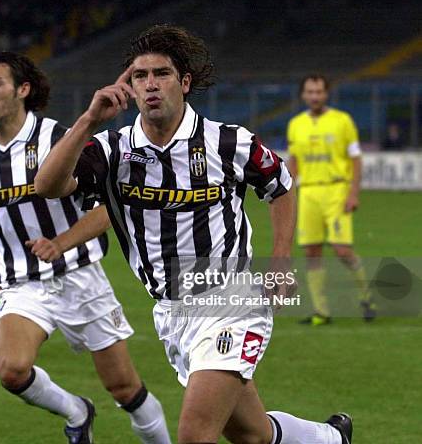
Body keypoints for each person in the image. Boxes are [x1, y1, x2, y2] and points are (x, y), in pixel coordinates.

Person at [35, 25, 353, 444]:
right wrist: (88, 120)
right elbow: (48, 186)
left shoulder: (228, 142)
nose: (150, 84)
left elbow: (281, 184)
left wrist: (280, 257)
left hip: (231, 298)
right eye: (139, 76)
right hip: (172, 312)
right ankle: (332, 439)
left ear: (184, 82)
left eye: (161, 74)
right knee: (251, 435)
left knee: (194, 435)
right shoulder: (111, 150)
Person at [0, 52, 170, 444]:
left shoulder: (59, 138)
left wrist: (60, 242)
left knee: (125, 391)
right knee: (12, 370)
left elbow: (110, 208)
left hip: (80, 275)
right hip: (22, 282)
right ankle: (76, 411)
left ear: (23, 89)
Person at [287, 74, 375, 325]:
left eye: (319, 92)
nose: (314, 96)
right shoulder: (296, 124)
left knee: (342, 250)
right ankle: (321, 311)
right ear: (304, 95)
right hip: (309, 193)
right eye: (310, 92)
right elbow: (294, 161)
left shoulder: (342, 121)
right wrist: (287, 191)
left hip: (336, 191)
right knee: (311, 251)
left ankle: (366, 296)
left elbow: (356, 159)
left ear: (326, 94)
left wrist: (353, 193)